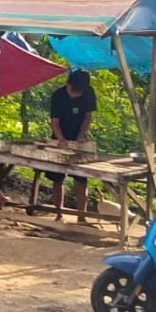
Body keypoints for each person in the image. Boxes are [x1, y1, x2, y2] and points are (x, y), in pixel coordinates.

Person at [46, 68, 97, 221]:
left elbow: (88, 117)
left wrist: (81, 136)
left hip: (79, 138)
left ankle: (81, 216)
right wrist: (61, 139)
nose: (76, 95)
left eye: (79, 92)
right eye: (73, 91)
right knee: (57, 178)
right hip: (60, 137)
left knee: (81, 178)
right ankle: (58, 213)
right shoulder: (58, 96)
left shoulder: (88, 92)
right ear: (68, 84)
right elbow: (54, 121)